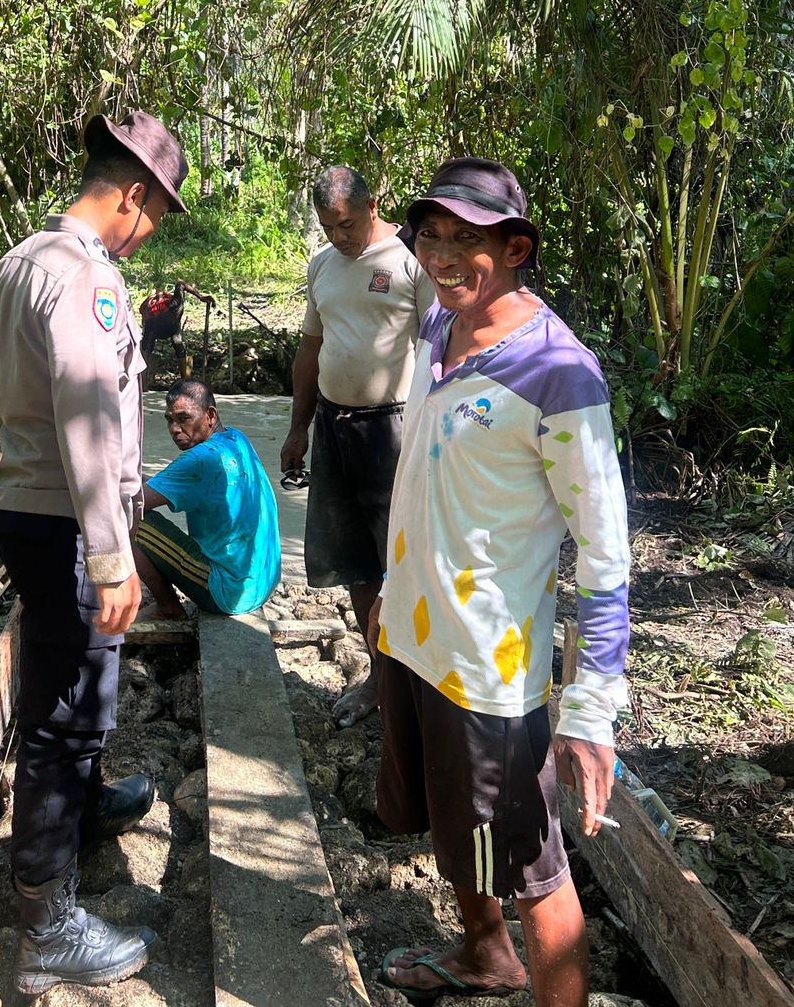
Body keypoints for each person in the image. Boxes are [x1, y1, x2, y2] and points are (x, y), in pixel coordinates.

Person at [372, 158, 630, 1007]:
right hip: (412, 638)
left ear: (516, 247)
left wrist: (591, 710)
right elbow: (423, 475)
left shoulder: (560, 374)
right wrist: (389, 583)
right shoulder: (435, 335)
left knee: (531, 865)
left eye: (467, 239)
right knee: (457, 833)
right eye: (431, 236)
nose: (442, 256)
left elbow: (603, 551)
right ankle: (486, 956)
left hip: (490, 672)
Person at [0, 110, 189, 998]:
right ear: (132, 198)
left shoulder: (23, 259)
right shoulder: (83, 280)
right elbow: (87, 421)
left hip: (33, 508)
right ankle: (47, 922)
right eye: (155, 219)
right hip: (69, 517)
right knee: (68, 714)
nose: (147, 238)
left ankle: (82, 813)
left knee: (68, 686)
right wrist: (114, 556)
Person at [280, 165, 435, 725]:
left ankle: (419, 687)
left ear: (373, 206)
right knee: (356, 563)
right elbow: (310, 351)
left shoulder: (411, 259)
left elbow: (441, 349)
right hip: (333, 427)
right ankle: (379, 678)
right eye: (327, 226)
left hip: (393, 431)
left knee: (405, 560)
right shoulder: (322, 265)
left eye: (345, 224)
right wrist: (299, 428)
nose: (337, 237)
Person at [132, 379, 281, 618]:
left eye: (183, 418)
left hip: (228, 593)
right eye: (170, 420)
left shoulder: (200, 459)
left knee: (129, 520)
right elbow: (160, 485)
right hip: (261, 582)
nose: (174, 429)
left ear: (210, 416)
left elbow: (134, 501)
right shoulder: (235, 438)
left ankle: (168, 607)